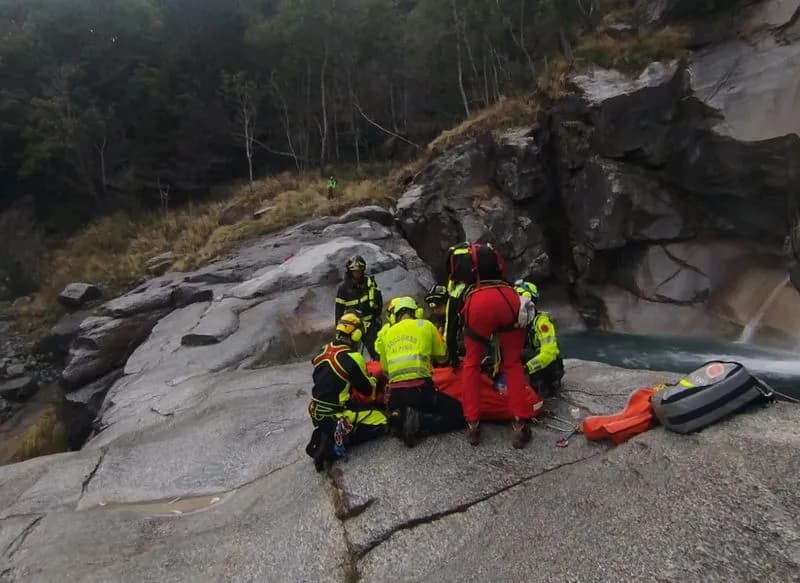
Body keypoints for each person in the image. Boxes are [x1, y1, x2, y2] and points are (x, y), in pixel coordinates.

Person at [458, 243, 532, 448]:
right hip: (508, 300)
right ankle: (519, 424)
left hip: (478, 303)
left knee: (471, 364)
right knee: (512, 363)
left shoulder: (467, 282)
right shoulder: (504, 278)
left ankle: (473, 425)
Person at [376, 296, 465, 447]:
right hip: (420, 391)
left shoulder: (386, 334)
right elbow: (443, 357)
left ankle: (400, 420)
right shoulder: (426, 325)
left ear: (393, 316)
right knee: (459, 415)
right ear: (417, 312)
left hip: (395, 395)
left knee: (404, 407)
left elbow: (384, 369)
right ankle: (420, 421)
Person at [306, 312, 388, 472]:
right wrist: (372, 378)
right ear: (356, 335)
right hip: (335, 415)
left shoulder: (323, 350)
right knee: (381, 420)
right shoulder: (353, 357)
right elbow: (366, 390)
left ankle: (326, 433)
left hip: (316, 412)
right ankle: (338, 440)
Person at [514, 280, 564, 398]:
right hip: (531, 365)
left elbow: (549, 353)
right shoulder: (519, 322)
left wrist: (527, 368)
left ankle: (545, 385)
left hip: (549, 368)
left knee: (524, 354)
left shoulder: (542, 323)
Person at [335, 255, 383, 359]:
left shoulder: (369, 284)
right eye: (355, 271)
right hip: (351, 326)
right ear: (349, 271)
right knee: (348, 354)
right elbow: (339, 310)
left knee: (376, 351)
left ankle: (379, 371)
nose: (357, 273)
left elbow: (378, 300)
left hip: (369, 325)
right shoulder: (343, 288)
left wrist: (377, 318)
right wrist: (338, 330)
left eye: (360, 270)